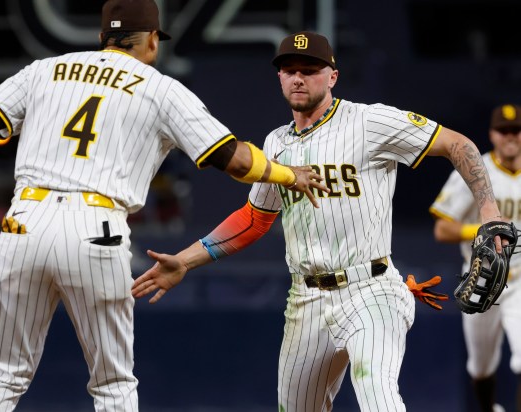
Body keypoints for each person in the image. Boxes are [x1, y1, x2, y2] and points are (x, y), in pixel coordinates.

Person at [0, 1, 324, 410]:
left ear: (103, 36)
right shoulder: (160, 89)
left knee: (3, 374)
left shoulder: (45, 70)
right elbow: (234, 159)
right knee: (112, 383)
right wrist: (290, 175)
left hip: (24, 222)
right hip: (95, 228)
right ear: (152, 41)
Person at [131, 31, 507, 411]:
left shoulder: (369, 121)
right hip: (306, 299)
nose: (298, 77)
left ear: (332, 76)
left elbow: (459, 144)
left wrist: (489, 213)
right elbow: (254, 220)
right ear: (278, 77)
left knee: (378, 394)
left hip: (371, 290)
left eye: (309, 70)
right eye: (289, 70)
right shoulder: (276, 144)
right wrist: (185, 260)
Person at [430, 104, 521, 412]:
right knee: (481, 367)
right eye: (504, 131)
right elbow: (442, 228)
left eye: (516, 131)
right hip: (482, 280)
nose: (511, 137)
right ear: (493, 134)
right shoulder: (476, 169)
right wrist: (482, 230)